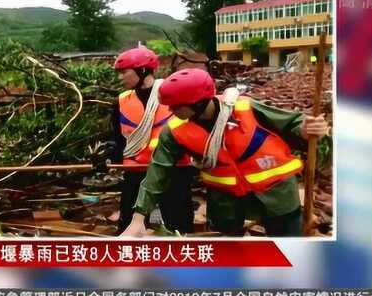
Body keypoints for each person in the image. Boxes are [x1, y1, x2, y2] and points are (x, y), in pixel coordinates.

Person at [121, 68, 329, 237]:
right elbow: (158, 172)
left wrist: (306, 128)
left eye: (175, 107)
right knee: (231, 255)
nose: (170, 111)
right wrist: (139, 217)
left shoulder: (246, 108)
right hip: (226, 203)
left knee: (288, 251)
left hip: (277, 196)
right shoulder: (175, 131)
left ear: (198, 102)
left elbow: (292, 122)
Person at [107, 46, 194, 234]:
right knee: (128, 225)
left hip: (173, 170)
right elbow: (117, 137)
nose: (120, 78)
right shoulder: (122, 100)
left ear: (143, 70)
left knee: (178, 226)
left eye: (124, 72)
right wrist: (109, 154)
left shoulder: (174, 96)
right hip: (135, 170)